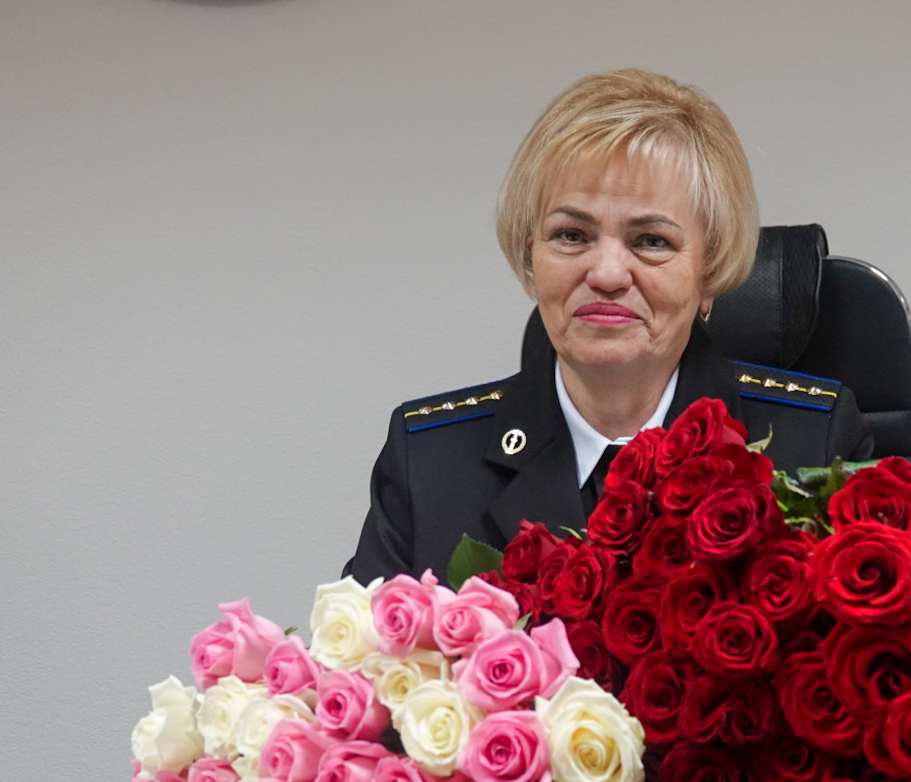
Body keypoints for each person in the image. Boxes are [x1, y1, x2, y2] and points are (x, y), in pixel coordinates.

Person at [346, 70, 872, 583]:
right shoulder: (428, 461)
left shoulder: (815, 448)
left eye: (651, 241)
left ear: (709, 271)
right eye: (571, 235)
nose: (606, 274)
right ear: (532, 256)